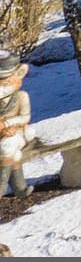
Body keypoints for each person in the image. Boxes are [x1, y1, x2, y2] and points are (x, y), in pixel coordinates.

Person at [0, 50, 30, 197]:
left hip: (17, 132)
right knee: (15, 154)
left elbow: (25, 117)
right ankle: (20, 187)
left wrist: (7, 124)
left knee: (8, 146)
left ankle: (2, 186)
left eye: (5, 83)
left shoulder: (20, 97)